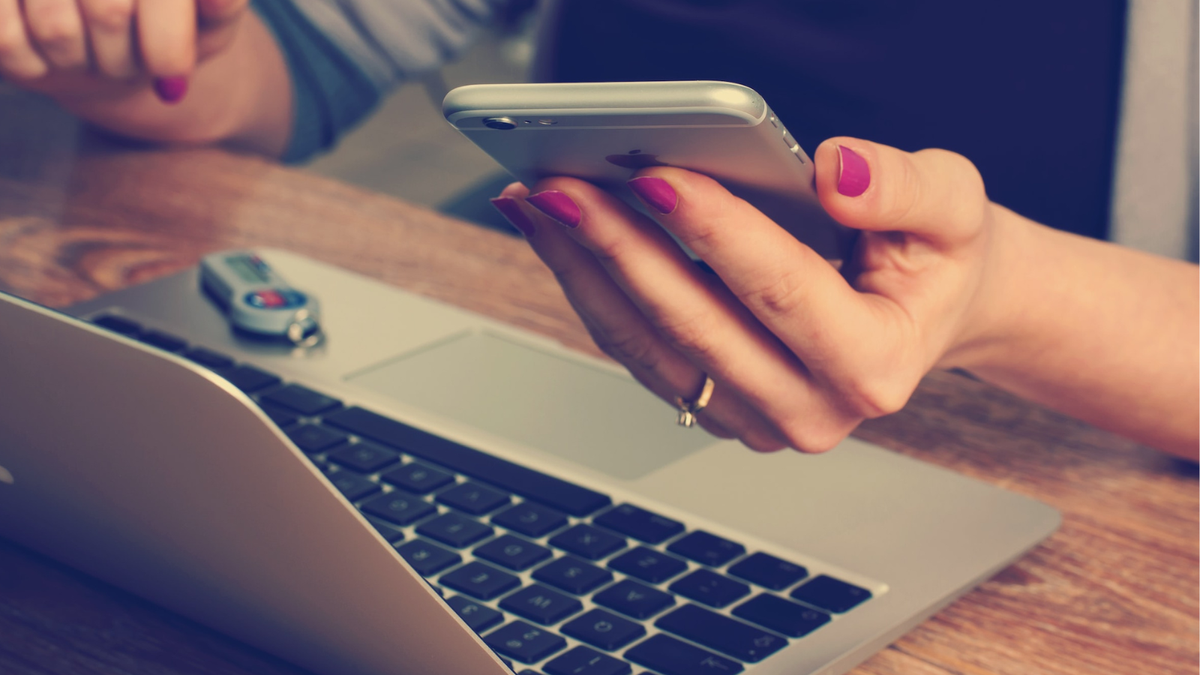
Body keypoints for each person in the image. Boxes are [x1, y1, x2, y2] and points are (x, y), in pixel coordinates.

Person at [2, 0, 1195, 458]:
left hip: (1075, 480)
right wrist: (136, 47)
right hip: (567, 387)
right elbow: (293, 62)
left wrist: (1001, 296)